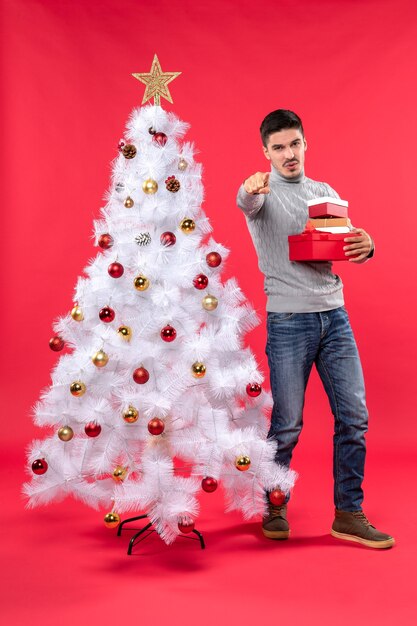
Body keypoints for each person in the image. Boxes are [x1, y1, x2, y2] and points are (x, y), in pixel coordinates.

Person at [236, 109, 394, 549]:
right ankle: (274, 503)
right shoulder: (262, 193)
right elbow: (245, 201)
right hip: (288, 321)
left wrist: (367, 245)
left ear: (306, 144)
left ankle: (348, 513)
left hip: (335, 317)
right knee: (288, 423)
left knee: (355, 418)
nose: (289, 154)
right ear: (266, 152)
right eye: (279, 147)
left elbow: (345, 245)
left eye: (295, 144)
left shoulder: (325, 192)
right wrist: (249, 187)